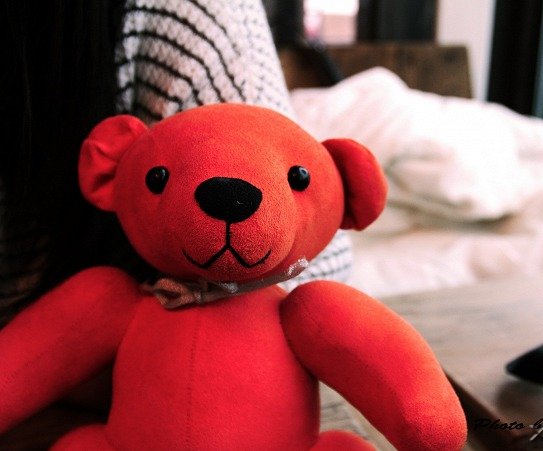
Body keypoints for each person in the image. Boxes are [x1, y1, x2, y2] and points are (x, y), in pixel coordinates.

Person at [0, 0, 353, 329]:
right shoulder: (100, 296)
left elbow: (319, 265)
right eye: (158, 179)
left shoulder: (196, 14)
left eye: (298, 178)